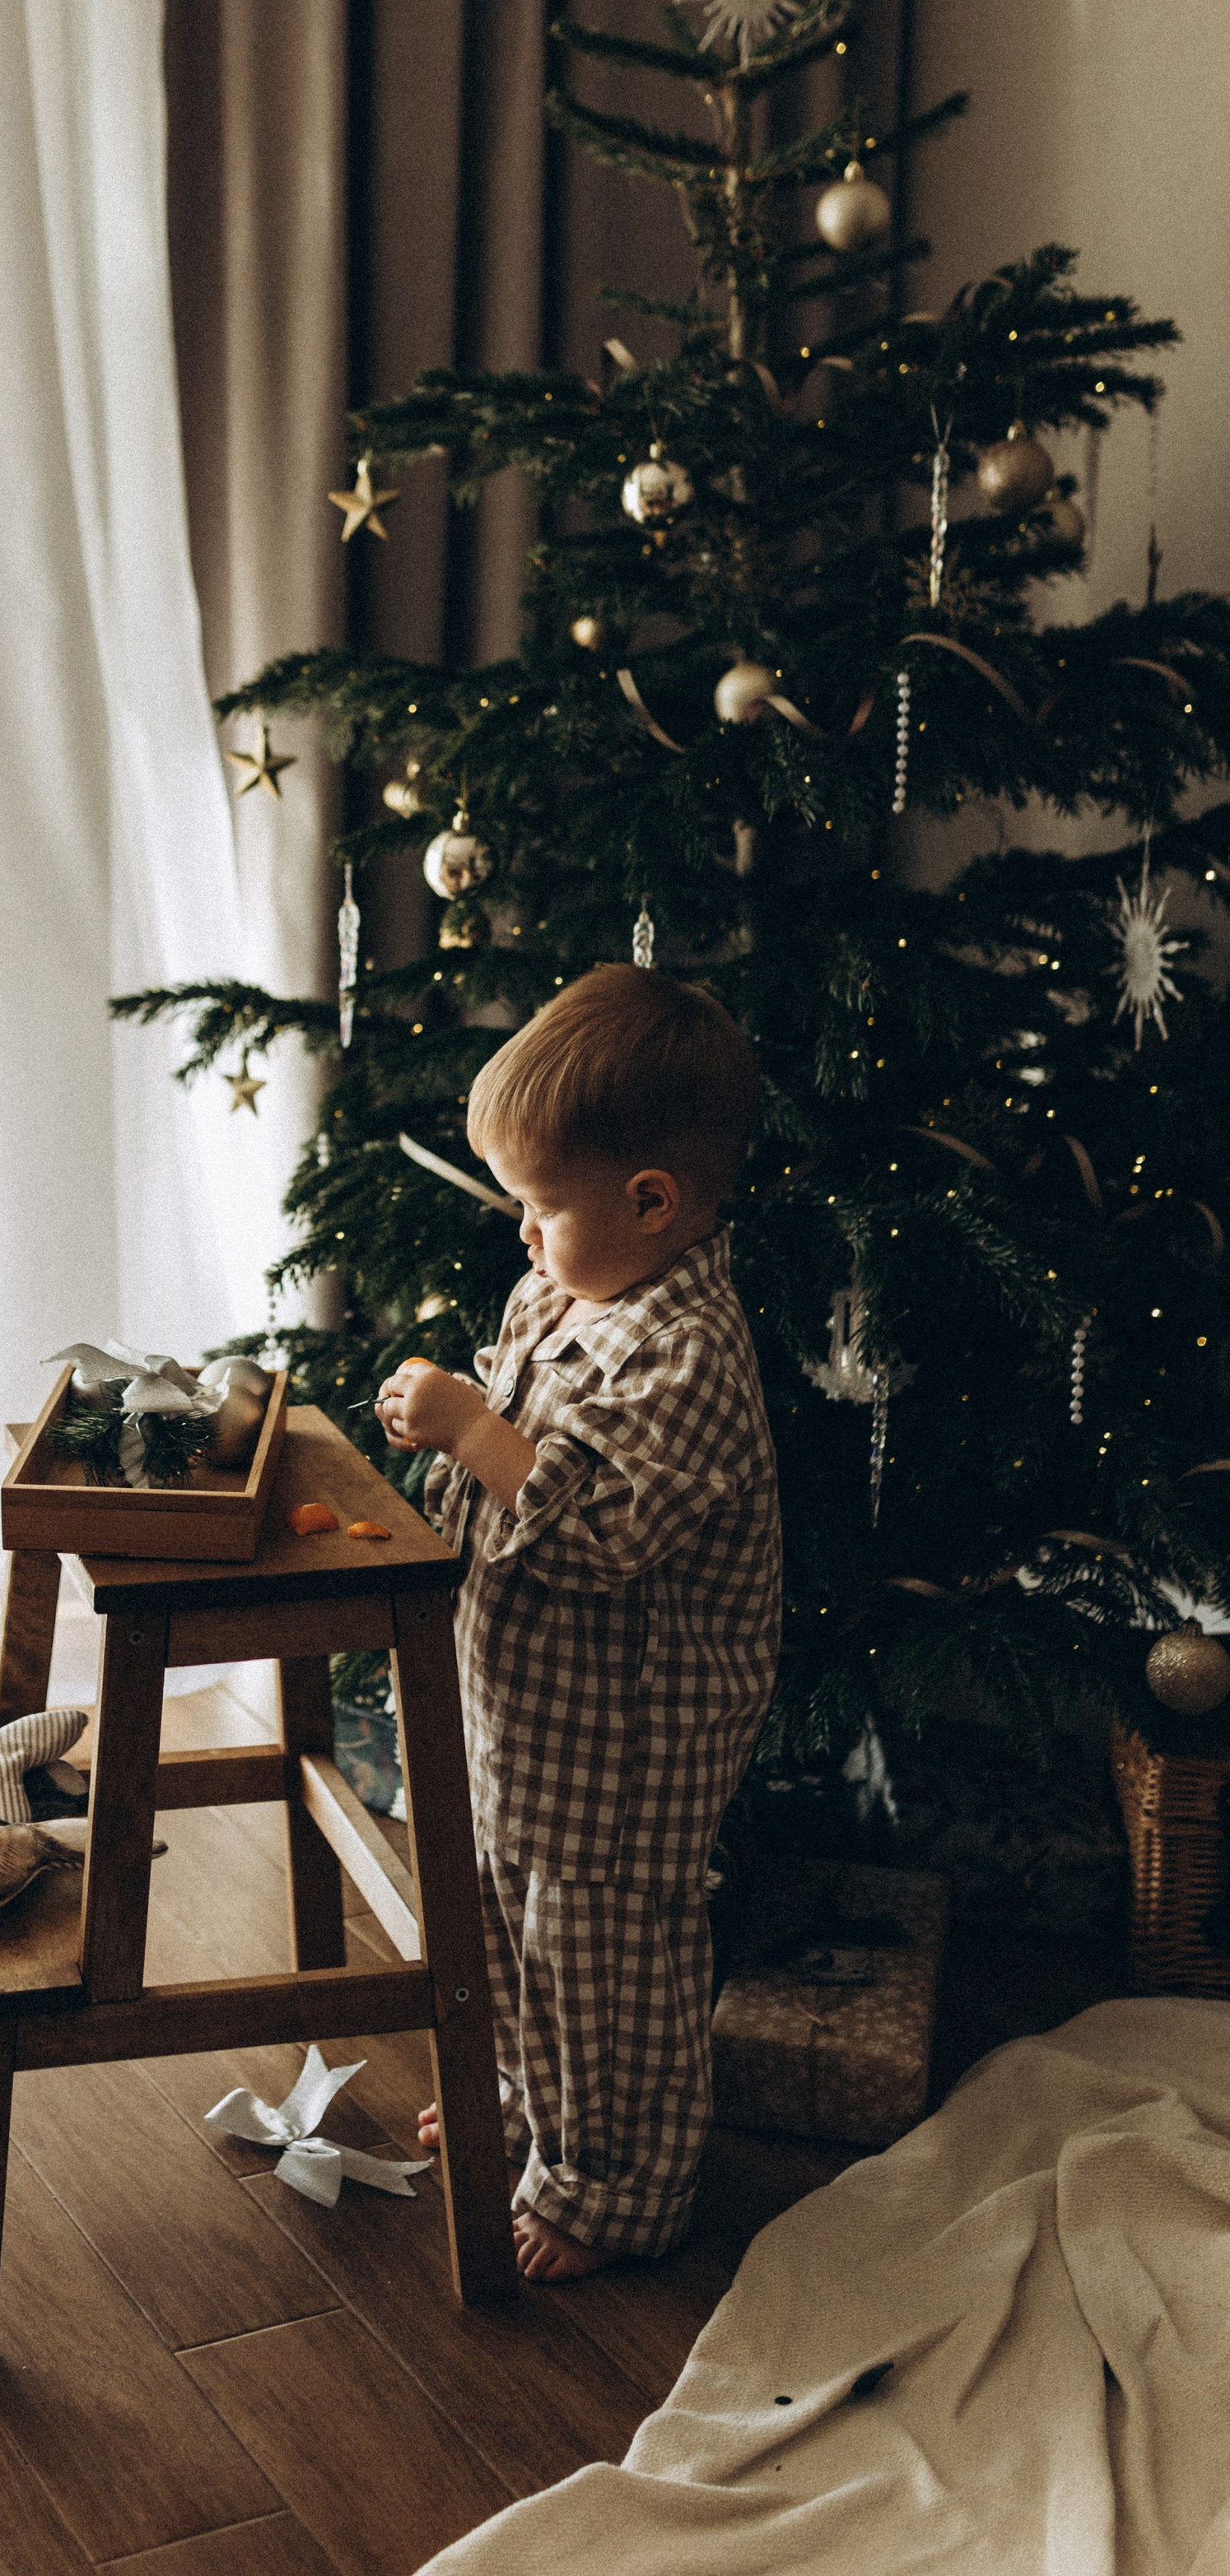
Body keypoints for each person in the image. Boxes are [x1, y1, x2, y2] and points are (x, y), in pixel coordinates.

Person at [376, 964, 779, 2282]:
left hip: (629, 1748)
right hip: (534, 1711)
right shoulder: (565, 1291)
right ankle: (524, 2109)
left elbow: (599, 1528)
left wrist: (479, 1431)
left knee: (601, 1961)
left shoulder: (691, 1354)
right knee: (504, 1916)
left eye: (542, 1208)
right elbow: (507, 1433)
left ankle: (613, 2185)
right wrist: (457, 1430)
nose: (523, 1236)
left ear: (651, 1202)